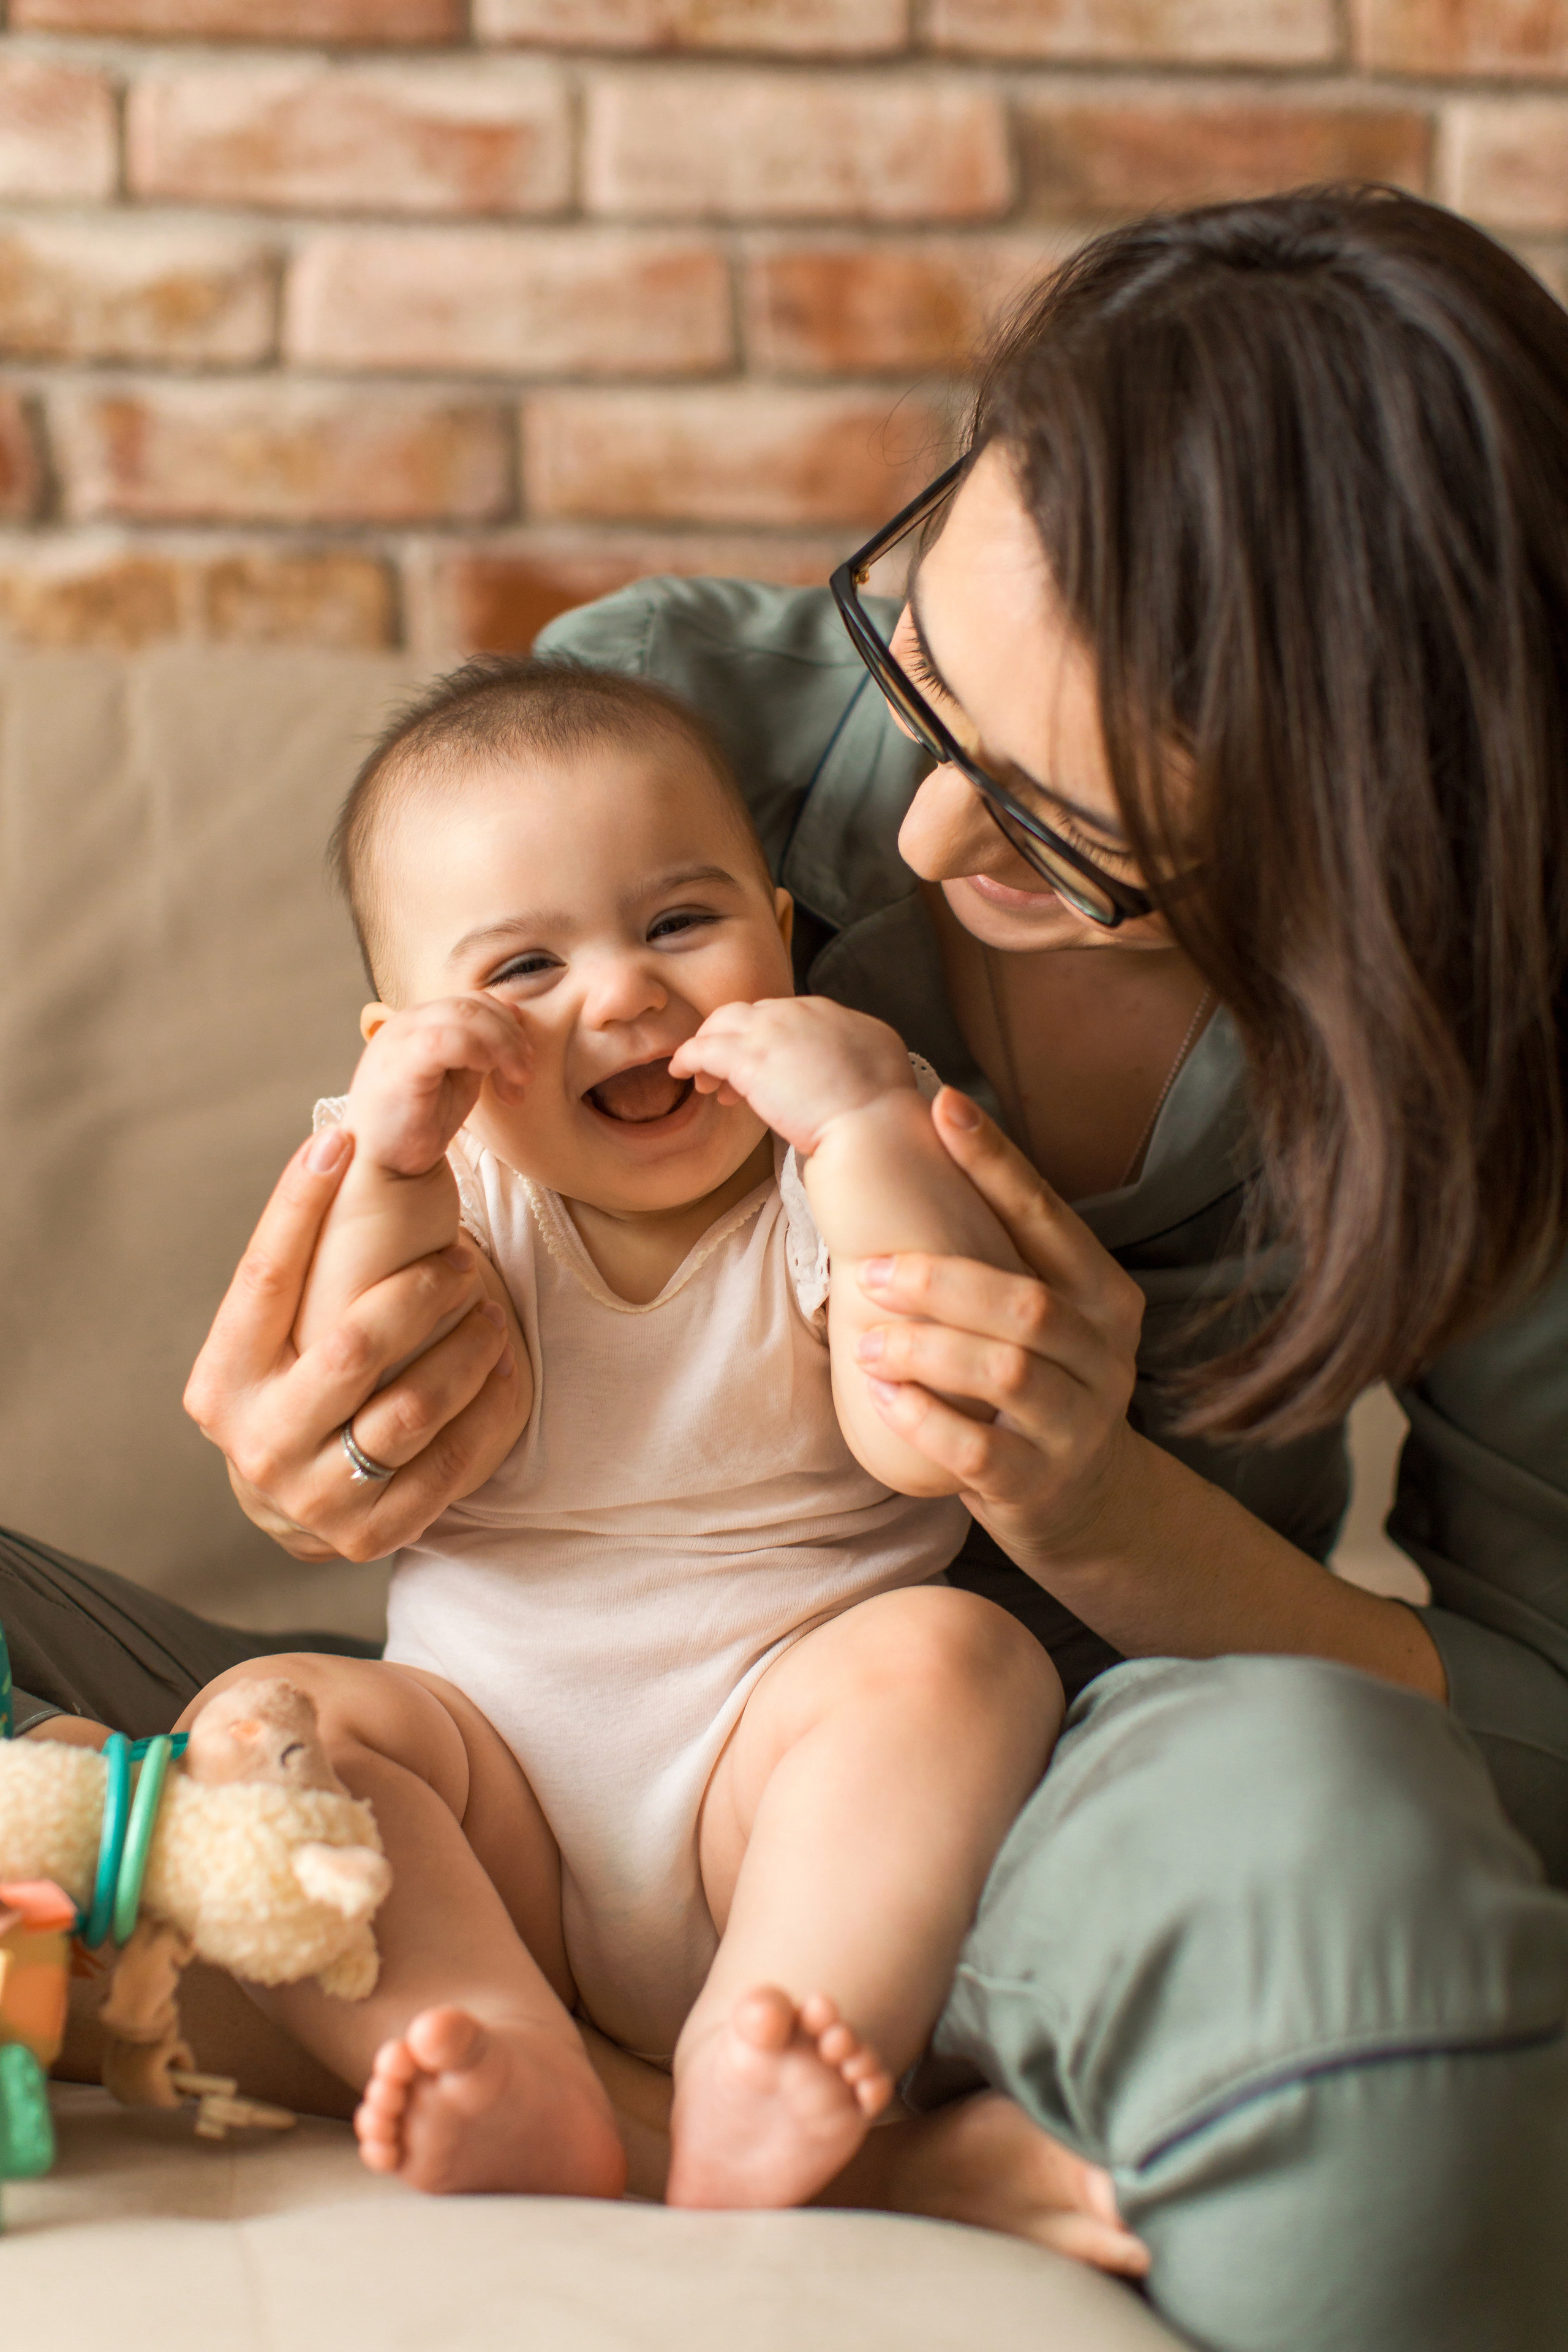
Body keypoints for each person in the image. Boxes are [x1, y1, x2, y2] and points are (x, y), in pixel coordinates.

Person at [7, 186, 1568, 2348]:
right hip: (484, 1755)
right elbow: (435, 1219)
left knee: (1312, 1868)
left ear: (1373, 832)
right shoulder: (654, 730)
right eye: (922, 659)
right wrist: (320, 1439)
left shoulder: (1503, 1047)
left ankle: (774, 2065)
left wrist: (1095, 1504)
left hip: (966, 1794)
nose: (918, 842)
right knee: (271, 1748)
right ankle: (741, 2139)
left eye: (1071, 832)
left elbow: (1537, 1730)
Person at [183, 654, 1064, 2215]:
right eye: (521, 972)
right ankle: (492, 2044)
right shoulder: (442, 1189)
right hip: (489, 1796)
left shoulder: (834, 1161)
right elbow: (347, 1356)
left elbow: (926, 1443)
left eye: (678, 924)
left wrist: (860, 1126)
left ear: (780, 940)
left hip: (775, 1785)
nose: (624, 994)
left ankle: (769, 2040)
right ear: (406, 1040)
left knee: (953, 1661)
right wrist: (387, 1150)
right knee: (256, 1729)